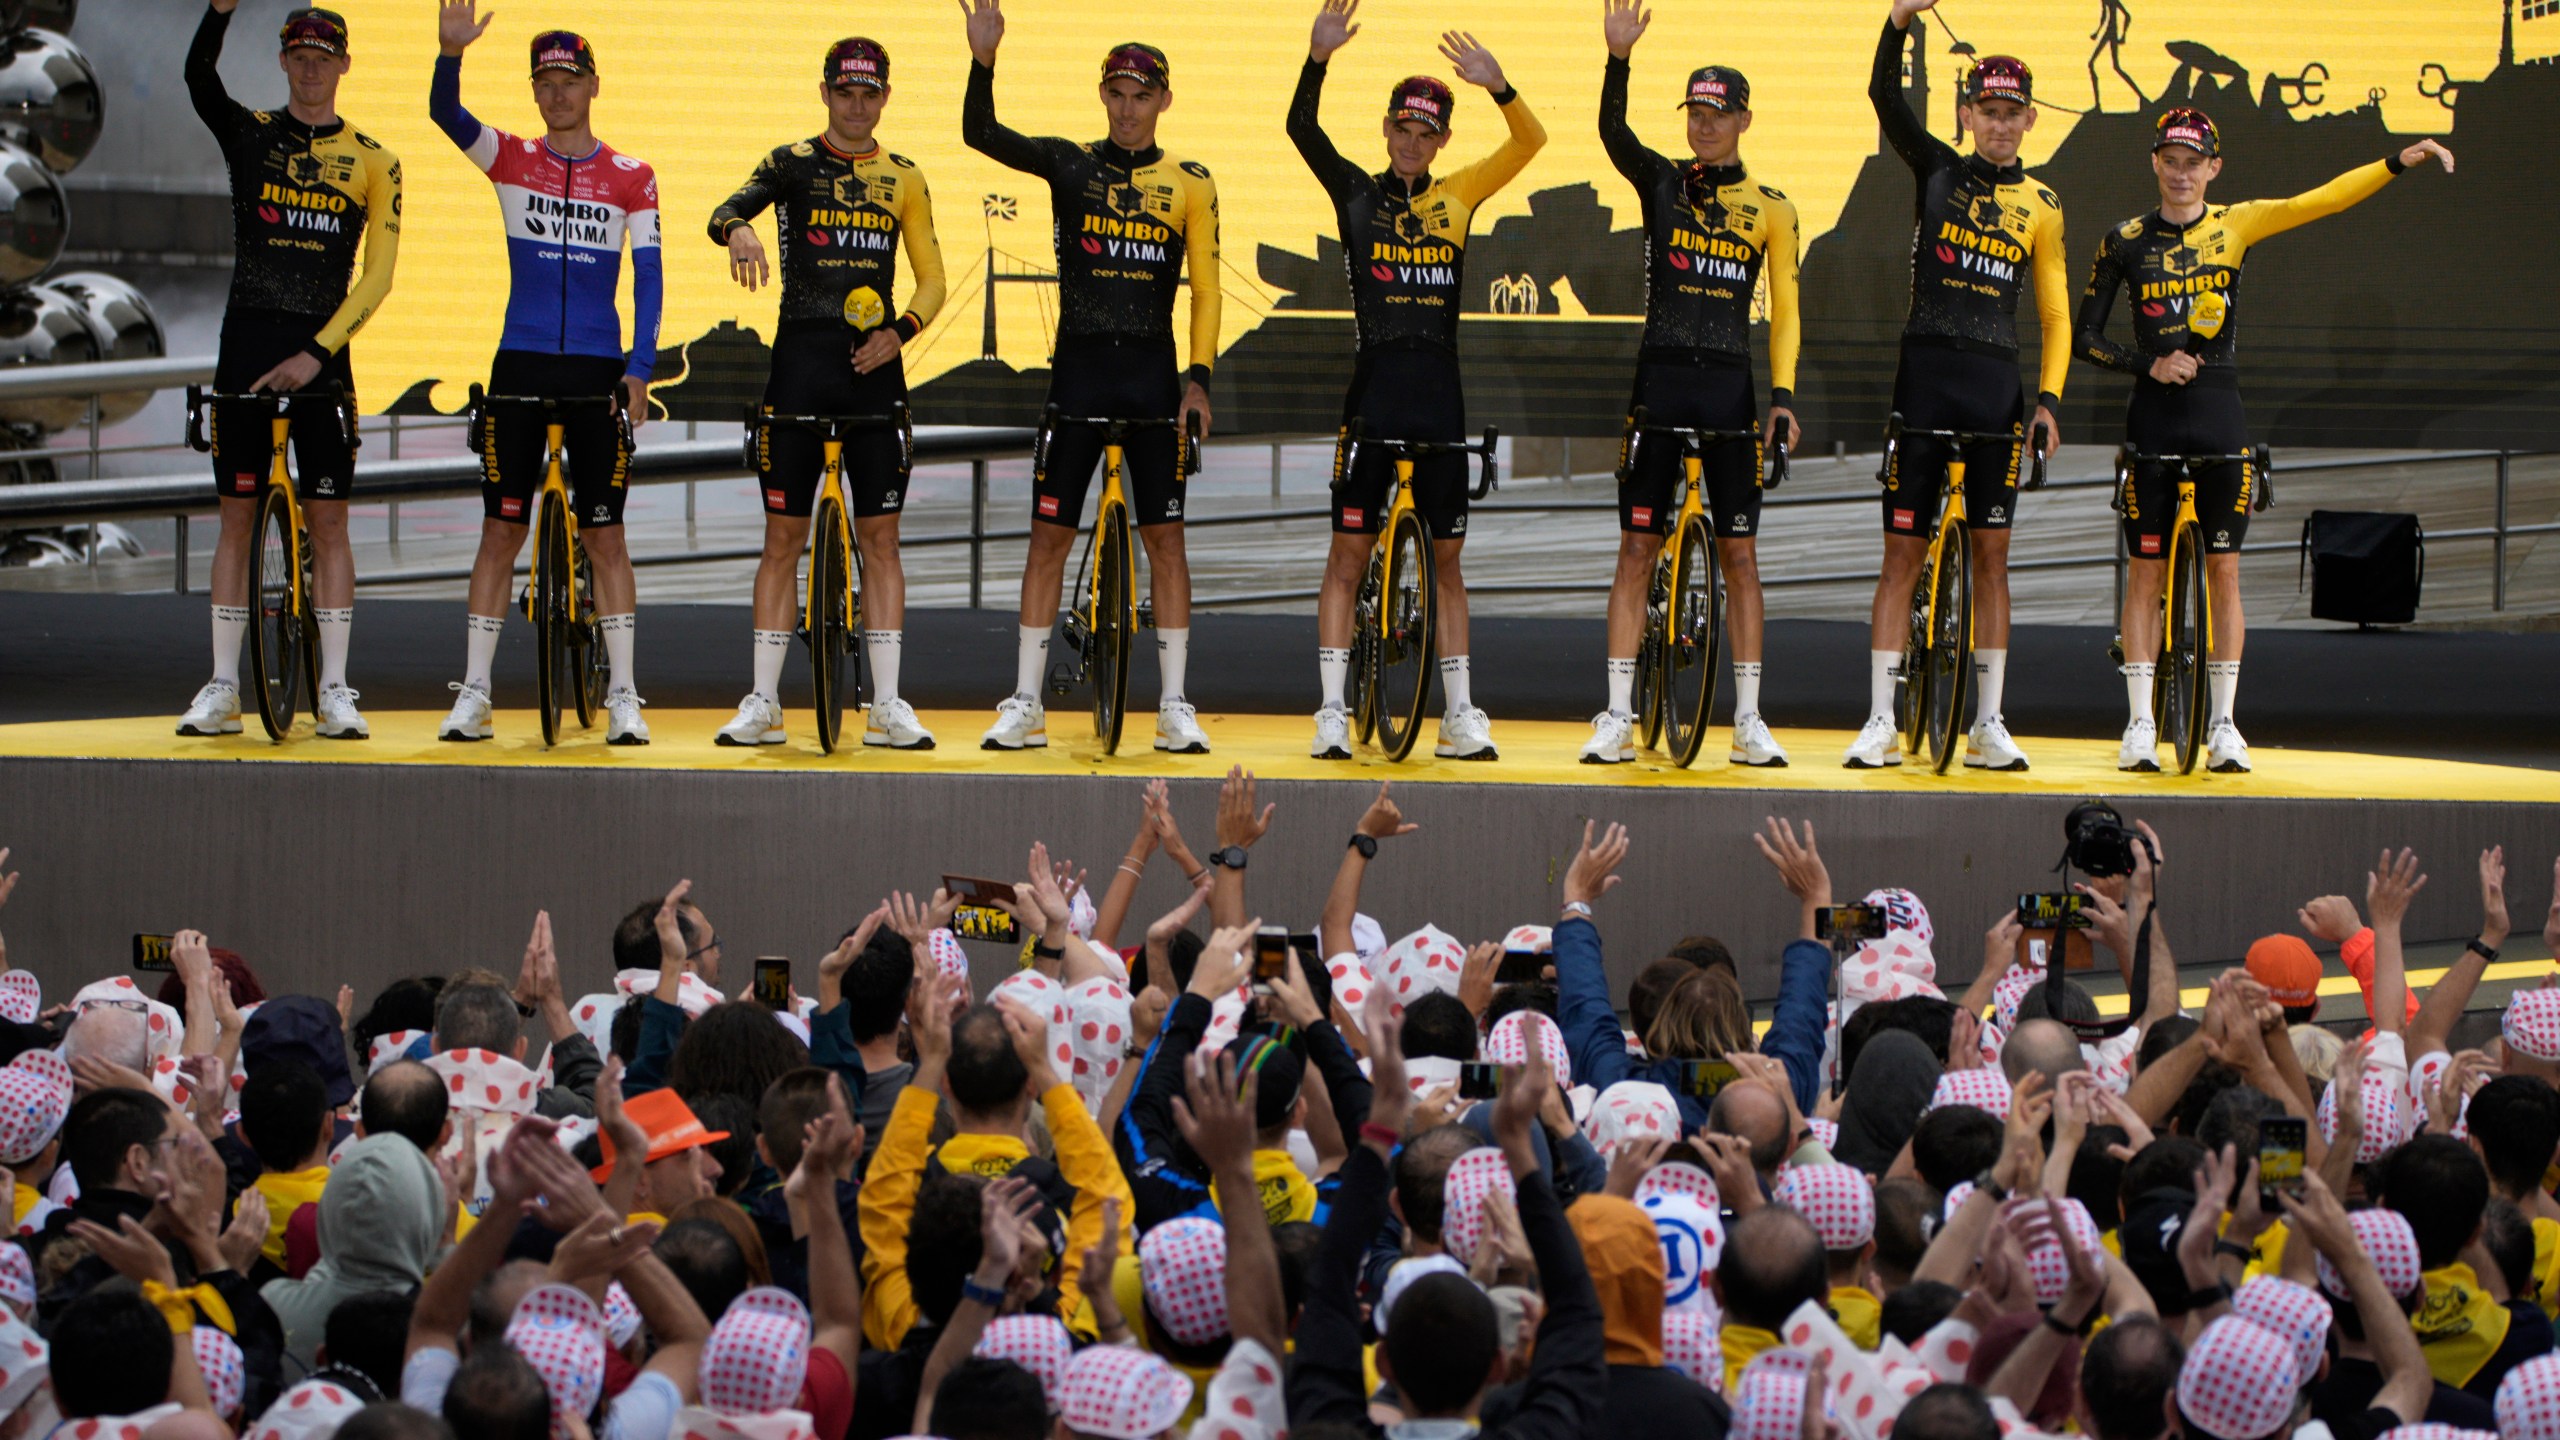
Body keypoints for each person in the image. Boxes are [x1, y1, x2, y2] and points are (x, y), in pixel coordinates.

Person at [2074, 111, 2454, 773]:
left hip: (2220, 411)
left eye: (2195, 162)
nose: (2182, 172)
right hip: (2153, 418)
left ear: (2214, 169)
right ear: (2155, 163)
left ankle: (2223, 723)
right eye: (2172, 159)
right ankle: (2139, 724)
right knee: (2145, 572)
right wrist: (2150, 364)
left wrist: (2397, 162)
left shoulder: (2238, 223)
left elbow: (2321, 201)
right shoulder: (2125, 240)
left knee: (2224, 571)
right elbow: (2085, 339)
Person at [959, 0, 1222, 755]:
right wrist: (985, 58)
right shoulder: (1071, 163)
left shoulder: (1192, 183)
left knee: (1166, 542)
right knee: (1048, 540)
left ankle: (1174, 704)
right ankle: (1026, 702)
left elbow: (1206, 290)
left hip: (1151, 383)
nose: (1130, 110)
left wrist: (1197, 381)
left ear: (1164, 101)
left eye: (1144, 97)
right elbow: (982, 134)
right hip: (1075, 380)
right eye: (1118, 95)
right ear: (1102, 96)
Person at [1291, 0, 1546, 762]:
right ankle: (1332, 710)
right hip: (1371, 397)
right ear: (1387, 130)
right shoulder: (1357, 195)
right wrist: (1317, 58)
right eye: (1401, 129)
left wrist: (1501, 87)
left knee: (1446, 563)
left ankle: (1460, 712)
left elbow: (1530, 141)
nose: (1410, 143)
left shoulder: (1460, 194)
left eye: (1425, 133)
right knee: (1347, 557)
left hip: (1439, 398)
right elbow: (1304, 132)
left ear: (1441, 141)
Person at [430, 0, 662, 745]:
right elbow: (444, 111)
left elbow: (649, 278)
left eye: (570, 79)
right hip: (520, 361)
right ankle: (474, 693)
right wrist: (450, 52)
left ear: (594, 85)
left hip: (597, 366)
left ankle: (624, 693)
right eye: (545, 82)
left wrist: (640, 370)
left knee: (607, 538)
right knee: (501, 533)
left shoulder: (633, 176)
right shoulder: (510, 158)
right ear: (535, 92)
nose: (557, 92)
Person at [710, 38, 948, 750]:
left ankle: (888, 704)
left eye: (868, 93)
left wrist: (900, 333)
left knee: (881, 540)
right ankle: (762, 703)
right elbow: (726, 207)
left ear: (885, 98)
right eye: (844, 92)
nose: (856, 105)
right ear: (825, 93)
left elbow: (933, 279)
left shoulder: (904, 175)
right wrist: (742, 231)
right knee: (781, 538)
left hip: (875, 372)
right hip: (800, 368)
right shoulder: (790, 163)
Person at [1850, 0, 2069, 772]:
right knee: (1901, 557)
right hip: (1926, 381)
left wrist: (2048, 401)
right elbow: (1883, 98)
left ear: (2030, 118)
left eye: (2013, 113)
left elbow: (2053, 311)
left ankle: (1988, 723)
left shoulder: (2042, 204)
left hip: (1994, 391)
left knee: (1993, 559)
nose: (2000, 125)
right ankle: (1880, 719)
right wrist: (1898, 21)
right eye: (1988, 111)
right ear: (1966, 112)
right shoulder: (1937, 168)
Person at [179, 1, 400, 742]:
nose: (311, 67)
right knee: (236, 520)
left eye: (323, 55)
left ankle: (334, 688)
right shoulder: (251, 135)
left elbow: (377, 279)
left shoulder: (375, 159)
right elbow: (197, 78)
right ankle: (220, 687)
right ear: (282, 61)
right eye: (298, 54)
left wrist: (317, 354)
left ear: (344, 64)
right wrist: (218, 12)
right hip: (244, 347)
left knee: (329, 521)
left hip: (323, 357)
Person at [1588, 0, 1798, 767]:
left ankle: (1746, 719)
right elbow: (1614, 135)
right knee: (1636, 548)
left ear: (1744, 119)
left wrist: (1782, 398)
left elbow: (1786, 315)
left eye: (1718, 114)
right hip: (1661, 387)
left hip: (1732, 394)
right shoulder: (1663, 182)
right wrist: (1618, 59)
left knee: (1740, 557)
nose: (1704, 126)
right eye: (1695, 113)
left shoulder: (1771, 206)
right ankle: (1615, 714)